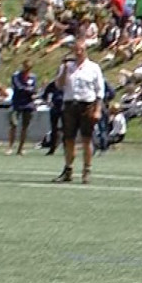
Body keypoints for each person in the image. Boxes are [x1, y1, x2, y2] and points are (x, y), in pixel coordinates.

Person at [53, 40, 106, 184]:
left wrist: (98, 109)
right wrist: (64, 68)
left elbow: (99, 90)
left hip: (87, 104)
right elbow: (59, 85)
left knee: (86, 138)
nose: (78, 52)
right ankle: (68, 169)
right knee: (68, 138)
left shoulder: (93, 67)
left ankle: (86, 170)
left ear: (85, 50)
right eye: (75, 49)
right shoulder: (68, 67)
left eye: (81, 49)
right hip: (70, 104)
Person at [6, 60, 38, 155]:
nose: (26, 70)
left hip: (28, 104)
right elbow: (18, 87)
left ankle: (21, 148)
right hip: (17, 103)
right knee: (13, 125)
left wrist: (30, 91)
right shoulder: (16, 76)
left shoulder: (33, 77)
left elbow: (34, 88)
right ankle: (10, 147)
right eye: (25, 67)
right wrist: (29, 90)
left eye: (28, 68)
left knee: (25, 127)